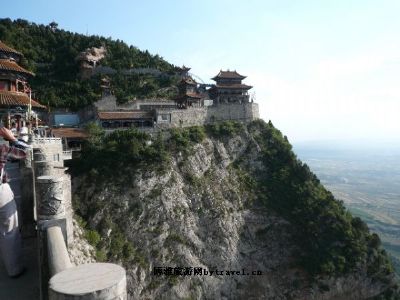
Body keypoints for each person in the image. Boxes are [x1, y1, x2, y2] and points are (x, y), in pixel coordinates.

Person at [0, 126, 29, 277]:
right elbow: (24, 152)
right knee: (9, 230)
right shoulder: (1, 148)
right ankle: (14, 269)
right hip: (1, 192)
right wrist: (12, 138)